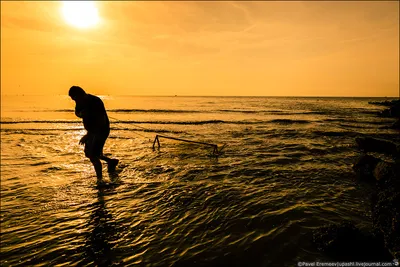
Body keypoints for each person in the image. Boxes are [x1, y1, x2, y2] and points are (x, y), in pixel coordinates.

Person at [69, 86, 118, 182]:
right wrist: (81, 114)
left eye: (74, 98)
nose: (74, 101)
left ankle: (100, 180)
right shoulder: (79, 102)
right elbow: (77, 112)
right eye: (73, 99)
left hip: (101, 131)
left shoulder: (95, 101)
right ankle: (111, 162)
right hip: (91, 131)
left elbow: (101, 121)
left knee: (93, 155)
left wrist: (88, 135)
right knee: (89, 153)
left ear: (80, 94)